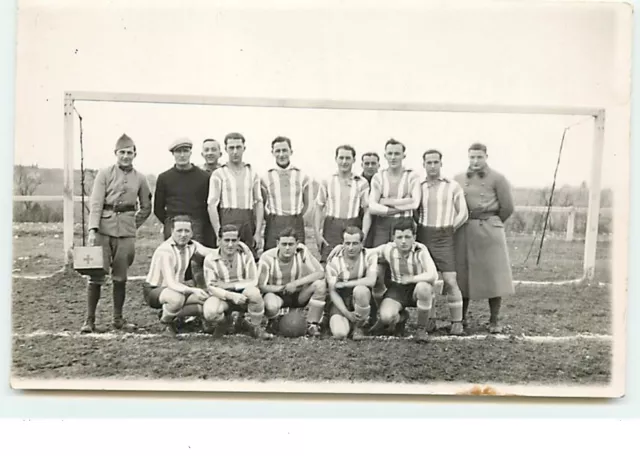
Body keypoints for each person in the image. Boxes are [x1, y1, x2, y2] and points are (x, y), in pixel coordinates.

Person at [80, 134, 153, 333]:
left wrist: (132, 224)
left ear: (135, 154)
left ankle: (118, 319)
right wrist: (93, 229)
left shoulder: (140, 178)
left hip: (126, 233)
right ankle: (89, 320)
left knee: (120, 277)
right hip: (103, 229)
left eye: (130, 153)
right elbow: (95, 203)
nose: (126, 156)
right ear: (115, 153)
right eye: (122, 152)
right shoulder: (104, 174)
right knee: (96, 275)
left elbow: (146, 207)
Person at [454, 143, 515, 334]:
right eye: (472, 157)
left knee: (493, 275)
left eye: (479, 157)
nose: (475, 161)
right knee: (463, 275)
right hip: (465, 229)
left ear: (486, 156)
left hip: (489, 230)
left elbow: (507, 207)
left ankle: (494, 320)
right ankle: (460, 319)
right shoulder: (458, 179)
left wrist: (491, 222)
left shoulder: (498, 178)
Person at [417, 149, 469, 336]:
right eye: (428, 162)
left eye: (435, 162)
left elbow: (463, 212)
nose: (432, 166)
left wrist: (450, 229)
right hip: (423, 234)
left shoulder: (452, 186)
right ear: (423, 164)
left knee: (449, 279)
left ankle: (457, 321)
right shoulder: (418, 186)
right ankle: (430, 319)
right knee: (428, 279)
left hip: (445, 235)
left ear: (441, 163)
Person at [367, 138, 422, 317]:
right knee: (378, 271)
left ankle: (406, 313)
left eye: (397, 153)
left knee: (405, 270)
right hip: (383, 227)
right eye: (389, 153)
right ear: (385, 155)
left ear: (403, 155)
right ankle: (377, 314)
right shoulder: (379, 176)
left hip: (404, 227)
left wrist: (388, 202)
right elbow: (373, 206)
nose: (393, 157)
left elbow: (415, 203)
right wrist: (399, 205)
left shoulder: (412, 176)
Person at [153, 137, 213, 287]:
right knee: (172, 260)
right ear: (173, 154)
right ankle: (170, 298)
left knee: (195, 262)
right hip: (173, 223)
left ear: (190, 153)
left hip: (196, 224)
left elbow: (208, 204)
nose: (182, 155)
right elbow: (158, 207)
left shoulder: (204, 177)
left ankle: (199, 299)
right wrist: (170, 224)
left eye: (185, 151)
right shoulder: (164, 177)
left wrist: (198, 224)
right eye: (178, 151)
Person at [143, 215, 216, 334]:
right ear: (172, 231)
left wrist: (236, 248)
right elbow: (171, 283)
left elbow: (210, 253)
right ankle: (165, 321)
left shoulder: (192, 245)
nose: (183, 234)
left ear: (192, 232)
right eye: (179, 231)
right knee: (177, 299)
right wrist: (193, 290)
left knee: (207, 300)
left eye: (187, 231)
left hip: (178, 290)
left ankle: (171, 314)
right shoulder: (165, 251)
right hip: (155, 290)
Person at [369, 218, 438, 341]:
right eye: (399, 237)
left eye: (407, 237)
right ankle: (402, 317)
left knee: (424, 288)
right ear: (393, 238)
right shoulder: (388, 248)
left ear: (414, 237)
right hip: (398, 288)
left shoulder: (420, 250)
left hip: (416, 287)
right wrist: (341, 248)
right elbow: (365, 253)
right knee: (386, 317)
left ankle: (421, 329)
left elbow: (433, 274)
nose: (403, 241)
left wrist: (412, 279)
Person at [201, 224, 273, 340]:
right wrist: (231, 295)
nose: (230, 244)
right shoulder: (210, 259)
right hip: (222, 295)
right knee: (210, 312)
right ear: (219, 240)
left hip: (243, 294)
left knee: (254, 293)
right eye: (226, 240)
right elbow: (211, 287)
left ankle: (256, 327)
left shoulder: (245, 253)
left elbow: (253, 281)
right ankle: (224, 323)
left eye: (234, 240)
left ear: (238, 240)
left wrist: (230, 286)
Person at [258, 227, 326, 337]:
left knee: (320, 285)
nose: (287, 248)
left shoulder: (302, 251)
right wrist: (283, 288)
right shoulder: (267, 257)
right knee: (270, 304)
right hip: (276, 294)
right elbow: (261, 286)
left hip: (298, 293)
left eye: (291, 244)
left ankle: (312, 324)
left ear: (297, 244)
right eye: (284, 244)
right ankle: (274, 321)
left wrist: (295, 284)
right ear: (277, 244)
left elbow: (320, 273)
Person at [208, 132, 264, 259]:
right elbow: (211, 205)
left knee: (249, 257)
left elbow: (259, 202)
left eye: (238, 147)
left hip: (247, 221)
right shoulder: (219, 173)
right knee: (227, 257)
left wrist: (258, 232)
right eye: (231, 148)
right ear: (226, 149)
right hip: (227, 218)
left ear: (244, 148)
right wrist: (218, 232)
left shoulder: (252, 173)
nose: (235, 152)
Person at [314, 144, 371, 263]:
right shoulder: (328, 181)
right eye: (341, 158)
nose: (344, 162)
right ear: (336, 159)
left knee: (352, 261)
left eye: (348, 158)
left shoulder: (361, 182)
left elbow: (367, 211)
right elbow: (319, 207)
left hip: (353, 223)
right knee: (329, 260)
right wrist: (317, 233)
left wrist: (363, 234)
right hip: (332, 225)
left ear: (354, 160)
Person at [325, 226, 378, 340]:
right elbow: (332, 291)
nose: (350, 247)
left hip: (359, 297)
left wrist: (345, 284)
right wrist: (347, 313)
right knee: (340, 334)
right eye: (347, 243)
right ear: (342, 244)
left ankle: (359, 326)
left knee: (361, 290)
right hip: (340, 298)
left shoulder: (369, 255)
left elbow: (371, 280)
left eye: (355, 243)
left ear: (361, 244)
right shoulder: (334, 260)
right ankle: (345, 320)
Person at [261, 136, 311, 250]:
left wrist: (296, 217)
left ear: (291, 152)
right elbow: (262, 204)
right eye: (278, 151)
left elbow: (307, 203)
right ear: (272, 152)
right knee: (272, 255)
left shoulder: (302, 176)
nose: (281, 154)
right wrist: (271, 219)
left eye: (284, 150)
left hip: (295, 221)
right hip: (274, 222)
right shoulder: (266, 177)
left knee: (297, 255)